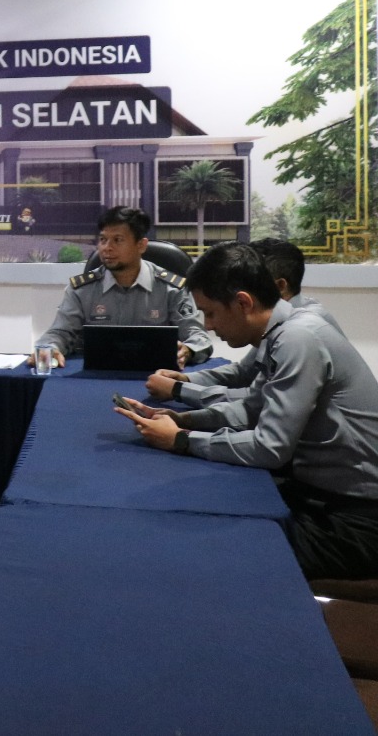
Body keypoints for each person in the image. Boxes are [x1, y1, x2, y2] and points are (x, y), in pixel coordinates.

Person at [114, 242, 378, 580]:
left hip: (356, 516)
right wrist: (181, 420)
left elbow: (270, 447)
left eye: (210, 313)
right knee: (208, 504)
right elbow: (251, 409)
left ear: (243, 303)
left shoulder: (297, 338)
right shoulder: (280, 332)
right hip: (319, 493)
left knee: (220, 550)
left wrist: (181, 439)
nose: (208, 326)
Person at [147, 237, 342, 407]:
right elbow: (245, 372)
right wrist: (186, 379)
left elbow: (259, 401)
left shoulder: (299, 334)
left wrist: (181, 391)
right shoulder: (277, 324)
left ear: (280, 286)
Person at [30, 205, 210, 369]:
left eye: (117, 240)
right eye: (103, 239)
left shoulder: (172, 288)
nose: (106, 248)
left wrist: (188, 350)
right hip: (96, 376)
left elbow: (198, 337)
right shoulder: (82, 289)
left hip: (156, 377)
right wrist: (49, 348)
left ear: (141, 245)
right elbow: (60, 332)